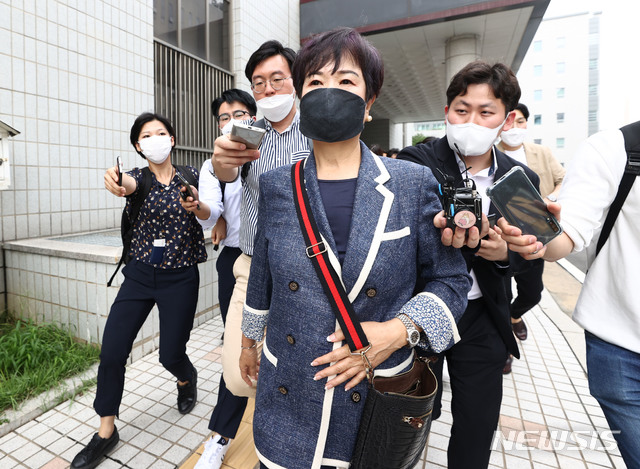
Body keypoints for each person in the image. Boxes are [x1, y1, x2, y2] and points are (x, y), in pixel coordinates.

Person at [238, 27, 471, 469]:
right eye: (315, 82)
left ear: (368, 103)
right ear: (301, 97)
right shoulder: (275, 185)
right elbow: (264, 273)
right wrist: (249, 341)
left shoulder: (411, 184)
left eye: (346, 81)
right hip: (289, 388)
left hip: (373, 397)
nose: (329, 93)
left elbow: (451, 278)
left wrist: (396, 333)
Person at [397, 61, 540, 469]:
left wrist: (504, 256)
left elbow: (534, 258)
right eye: (462, 110)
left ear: (507, 118)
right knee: (410, 414)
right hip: (421, 309)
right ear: (447, 111)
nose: (472, 121)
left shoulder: (519, 179)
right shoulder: (417, 163)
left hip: (482, 317)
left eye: (486, 112)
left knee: (477, 425)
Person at [70, 112, 209, 469]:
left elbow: (207, 212)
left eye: (161, 132)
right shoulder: (136, 177)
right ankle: (105, 431)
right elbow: (123, 185)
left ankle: (185, 376)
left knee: (170, 354)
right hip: (140, 276)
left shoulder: (192, 175)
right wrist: (115, 182)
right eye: (147, 135)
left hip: (181, 277)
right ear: (137, 145)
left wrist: (197, 204)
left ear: (172, 139)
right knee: (113, 352)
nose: (155, 139)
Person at [498, 122, 640, 468]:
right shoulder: (617, 148)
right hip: (622, 342)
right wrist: (536, 233)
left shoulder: (542, 154)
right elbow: (565, 236)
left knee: (530, 295)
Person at [210, 39, 311, 402]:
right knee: (238, 377)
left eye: (277, 79)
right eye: (258, 81)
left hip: (309, 269)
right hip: (254, 265)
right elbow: (224, 169)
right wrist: (223, 160)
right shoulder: (247, 131)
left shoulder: (316, 130)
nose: (267, 88)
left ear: (296, 80)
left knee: (304, 366)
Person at [186, 89, 255, 469]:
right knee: (235, 352)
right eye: (223, 117)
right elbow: (210, 216)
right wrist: (202, 208)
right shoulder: (213, 164)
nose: (231, 122)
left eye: (240, 113)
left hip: (284, 261)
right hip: (235, 259)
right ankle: (221, 437)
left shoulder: (275, 151)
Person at [497, 103, 565, 366]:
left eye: (521, 122)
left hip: (534, 234)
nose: (515, 128)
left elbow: (562, 178)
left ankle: (516, 316)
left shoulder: (541, 152)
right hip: (503, 237)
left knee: (533, 292)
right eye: (511, 122)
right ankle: (505, 351)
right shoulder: (491, 155)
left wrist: (552, 197)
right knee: (500, 294)